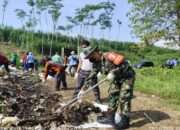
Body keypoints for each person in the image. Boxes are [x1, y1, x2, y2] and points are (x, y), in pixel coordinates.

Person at [82, 47, 135, 129]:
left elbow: (125, 64)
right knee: (112, 95)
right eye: (88, 57)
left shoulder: (109, 55)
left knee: (124, 97)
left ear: (96, 52)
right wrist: (83, 89)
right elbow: (91, 76)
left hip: (126, 77)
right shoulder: (96, 63)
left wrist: (114, 72)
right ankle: (110, 118)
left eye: (91, 55)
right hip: (116, 79)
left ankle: (125, 121)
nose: (90, 58)